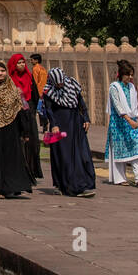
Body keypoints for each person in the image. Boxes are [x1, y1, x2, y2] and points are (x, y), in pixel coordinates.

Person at [42, 67, 96, 197]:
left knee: (81, 153)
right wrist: (53, 125)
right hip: (59, 125)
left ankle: (82, 184)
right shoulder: (48, 90)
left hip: (75, 122)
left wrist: (86, 118)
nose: (60, 85)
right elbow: (48, 109)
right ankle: (60, 185)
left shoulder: (72, 84)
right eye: (58, 84)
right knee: (61, 154)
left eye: (61, 83)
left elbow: (80, 103)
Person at [0, 59, 36, 198]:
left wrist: (25, 131)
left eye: (2, 71)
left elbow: (20, 109)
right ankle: (0, 188)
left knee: (12, 157)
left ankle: (13, 187)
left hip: (12, 127)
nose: (0, 73)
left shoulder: (12, 88)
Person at [106, 58, 138, 187]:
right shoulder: (114, 87)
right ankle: (120, 178)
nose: (130, 77)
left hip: (132, 123)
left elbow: (134, 106)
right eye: (128, 74)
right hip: (119, 123)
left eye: (131, 74)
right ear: (121, 74)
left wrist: (135, 122)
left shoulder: (131, 87)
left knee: (136, 149)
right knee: (120, 151)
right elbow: (118, 107)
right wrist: (129, 120)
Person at [7, 53, 44, 179]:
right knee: (19, 145)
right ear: (13, 64)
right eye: (19, 62)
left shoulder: (29, 76)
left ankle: (31, 172)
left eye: (23, 62)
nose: (22, 65)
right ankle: (19, 172)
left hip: (29, 115)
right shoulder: (9, 80)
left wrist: (31, 112)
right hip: (15, 116)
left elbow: (34, 95)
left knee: (32, 145)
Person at [30, 54, 50, 128]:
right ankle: (45, 123)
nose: (31, 61)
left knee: (36, 109)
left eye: (32, 60)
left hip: (37, 91)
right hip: (44, 91)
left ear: (36, 60)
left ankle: (42, 123)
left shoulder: (35, 69)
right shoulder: (43, 68)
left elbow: (35, 82)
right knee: (42, 108)